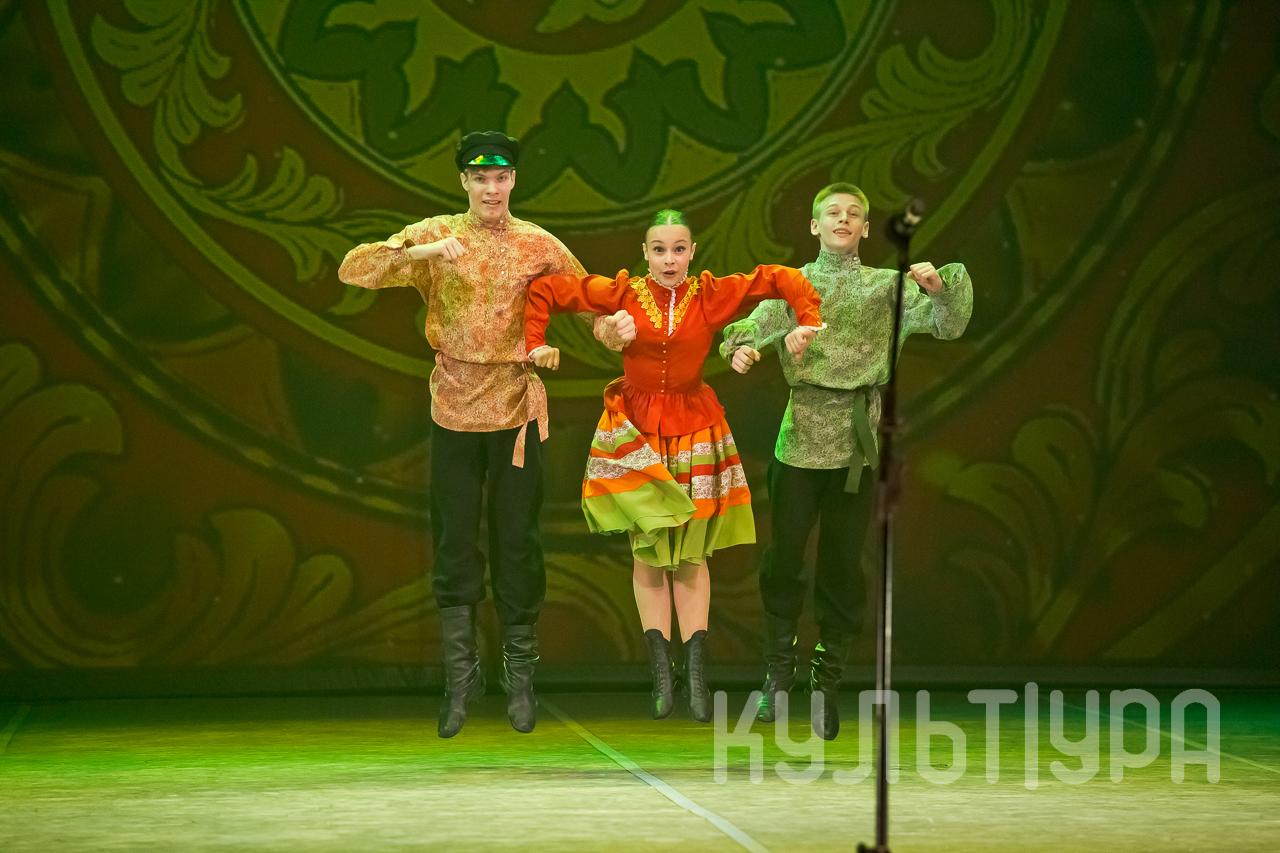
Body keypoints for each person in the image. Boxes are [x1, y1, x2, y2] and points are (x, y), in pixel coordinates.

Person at [338, 131, 635, 738]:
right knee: (454, 539)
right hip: (453, 407)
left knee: (517, 540)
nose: (491, 189)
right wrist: (423, 254)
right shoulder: (438, 233)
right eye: (480, 179)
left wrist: (617, 332)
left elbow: (592, 304)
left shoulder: (537, 244)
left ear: (513, 182)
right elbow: (354, 268)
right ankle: (460, 680)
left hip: (516, 407)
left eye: (500, 178)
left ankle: (519, 679)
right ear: (464, 183)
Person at [523, 209, 823, 722]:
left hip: (694, 429)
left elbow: (780, 278)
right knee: (648, 553)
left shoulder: (709, 295)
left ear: (692, 252)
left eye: (679, 249)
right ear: (645, 253)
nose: (669, 259)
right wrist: (536, 344)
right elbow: (547, 290)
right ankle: (662, 674)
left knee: (690, 555)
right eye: (659, 249)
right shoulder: (622, 293)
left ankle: (697, 673)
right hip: (638, 432)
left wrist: (809, 318)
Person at [721, 182, 973, 739]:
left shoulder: (887, 288)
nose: (842, 219)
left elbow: (950, 323)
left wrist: (940, 287)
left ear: (865, 228)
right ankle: (778, 669)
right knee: (784, 559)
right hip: (800, 441)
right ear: (814, 226)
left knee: (842, 565)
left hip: (858, 449)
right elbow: (746, 329)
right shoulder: (794, 286)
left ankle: (827, 679)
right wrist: (742, 348)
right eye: (832, 213)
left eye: (853, 214)